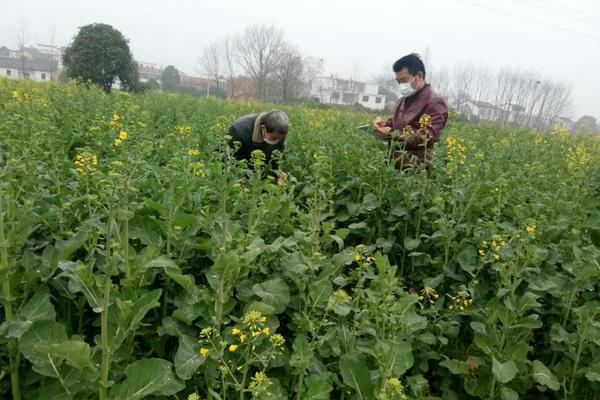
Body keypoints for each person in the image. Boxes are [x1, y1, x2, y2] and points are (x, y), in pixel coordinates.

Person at [373, 53, 448, 170]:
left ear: (419, 75)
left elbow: (428, 136)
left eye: (404, 80)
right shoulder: (402, 100)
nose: (401, 85)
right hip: (394, 167)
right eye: (398, 81)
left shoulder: (434, 102)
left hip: (416, 171)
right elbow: (397, 126)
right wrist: (384, 126)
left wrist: (392, 133)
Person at [227, 110, 289, 185]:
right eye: (274, 138)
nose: (277, 141)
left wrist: (280, 172)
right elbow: (226, 157)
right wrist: (236, 176)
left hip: (259, 173)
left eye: (280, 138)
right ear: (263, 128)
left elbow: (278, 154)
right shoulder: (238, 130)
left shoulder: (279, 132)